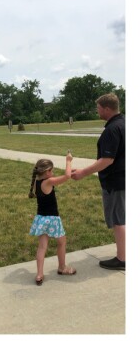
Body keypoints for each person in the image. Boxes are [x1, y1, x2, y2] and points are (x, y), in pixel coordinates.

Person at [72, 93, 125, 270]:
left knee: (119, 220)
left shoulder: (112, 129)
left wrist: (82, 173)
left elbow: (107, 160)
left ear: (107, 109)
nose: (97, 110)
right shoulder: (125, 124)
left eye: (99, 108)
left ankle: (122, 259)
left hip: (116, 182)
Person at [28, 155, 77, 285]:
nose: (53, 173)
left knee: (42, 246)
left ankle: (39, 274)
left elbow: (62, 176)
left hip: (41, 219)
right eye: (52, 171)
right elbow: (66, 177)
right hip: (52, 219)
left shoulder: (38, 182)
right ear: (47, 171)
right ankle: (62, 267)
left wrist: (68, 172)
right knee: (62, 242)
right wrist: (68, 161)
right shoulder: (48, 182)